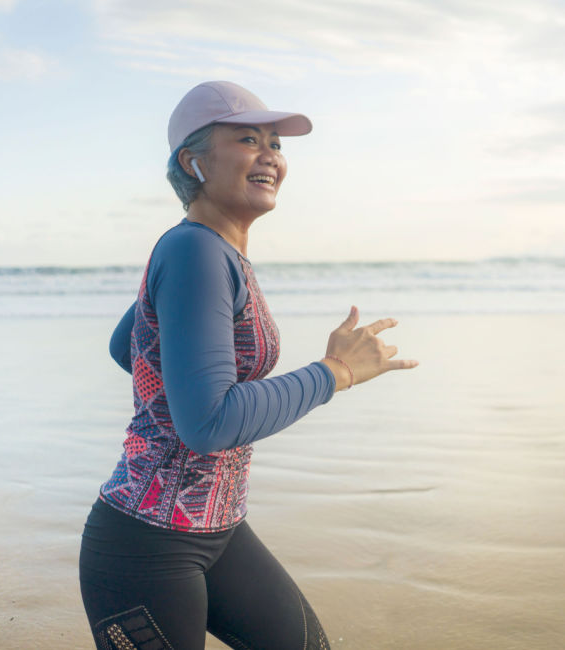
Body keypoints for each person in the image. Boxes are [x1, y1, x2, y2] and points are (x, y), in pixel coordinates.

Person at [79, 80, 418, 650]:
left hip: (221, 530)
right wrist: (335, 371)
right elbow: (208, 423)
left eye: (276, 145)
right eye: (247, 139)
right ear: (195, 162)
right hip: (144, 549)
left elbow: (130, 346)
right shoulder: (195, 251)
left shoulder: (212, 249)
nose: (270, 156)